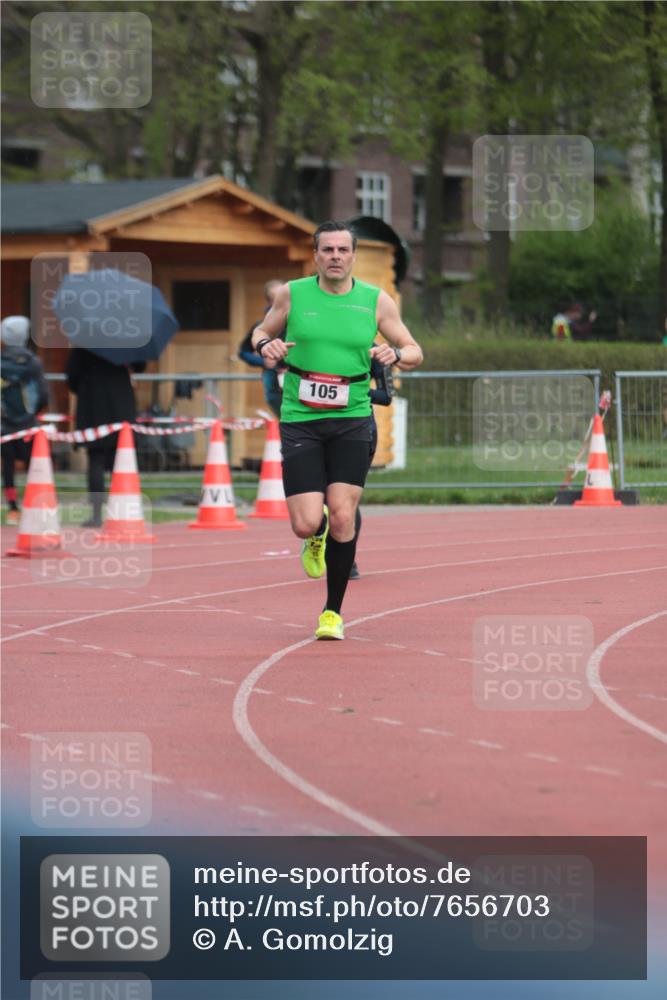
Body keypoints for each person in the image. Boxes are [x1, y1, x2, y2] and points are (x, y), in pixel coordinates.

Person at [252, 220, 423, 640]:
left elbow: (416, 351)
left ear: (352, 255)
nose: (334, 257)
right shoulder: (292, 294)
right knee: (305, 523)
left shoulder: (375, 300)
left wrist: (395, 352)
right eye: (326, 250)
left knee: (344, 513)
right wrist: (264, 345)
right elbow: (261, 330)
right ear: (315, 255)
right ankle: (316, 534)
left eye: (342, 250)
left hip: (352, 417)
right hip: (301, 418)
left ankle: (332, 612)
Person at [65, 348, 145, 526]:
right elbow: (140, 365)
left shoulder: (85, 339)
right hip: (121, 400)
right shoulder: (126, 336)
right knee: (123, 460)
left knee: (96, 459)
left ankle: (96, 514)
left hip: (92, 402)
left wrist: (84, 387)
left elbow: (72, 374)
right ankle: (124, 512)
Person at [348, 350, 394, 580]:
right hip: (310, 425)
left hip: (359, 428)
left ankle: (347, 560)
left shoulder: (374, 350)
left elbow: (386, 396)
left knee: (346, 497)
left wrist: (349, 389)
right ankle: (317, 532)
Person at [1, 316, 48, 524]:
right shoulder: (33, 362)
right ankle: (33, 506)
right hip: (29, 423)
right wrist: (34, 412)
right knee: (33, 465)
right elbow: (43, 393)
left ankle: (12, 509)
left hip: (5, 422)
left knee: (8, 466)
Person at [238, 279, 285, 417]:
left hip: (300, 375)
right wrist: (262, 361)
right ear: (270, 302)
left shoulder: (298, 320)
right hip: (274, 378)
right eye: (276, 299)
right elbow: (243, 352)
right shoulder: (261, 326)